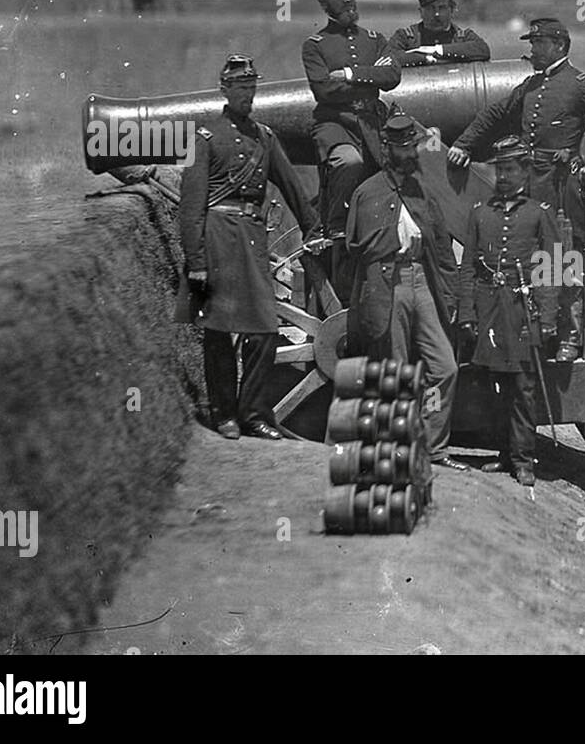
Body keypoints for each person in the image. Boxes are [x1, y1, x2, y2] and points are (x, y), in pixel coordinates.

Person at [448, 17, 585, 361]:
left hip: (563, 188)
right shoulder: (531, 86)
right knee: (529, 261)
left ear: (558, 46)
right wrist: (464, 144)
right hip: (531, 185)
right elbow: (495, 112)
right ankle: (535, 332)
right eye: (531, 43)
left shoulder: (580, 84)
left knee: (565, 261)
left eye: (537, 43)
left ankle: (569, 338)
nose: (531, 49)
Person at [176, 54, 326, 439]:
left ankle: (254, 414)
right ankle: (223, 414)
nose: (247, 96)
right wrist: (196, 262)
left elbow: (292, 185)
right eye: (241, 89)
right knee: (218, 331)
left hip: (251, 239)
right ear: (225, 90)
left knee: (262, 329)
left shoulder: (265, 138)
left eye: (251, 89)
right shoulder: (204, 138)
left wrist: (313, 228)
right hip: (216, 240)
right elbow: (191, 207)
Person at [344, 115, 466, 471]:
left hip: (421, 282)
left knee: (444, 367)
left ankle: (432, 447)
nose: (411, 153)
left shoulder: (423, 192)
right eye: (403, 148)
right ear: (388, 150)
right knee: (395, 370)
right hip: (387, 284)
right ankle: (398, 448)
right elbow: (357, 246)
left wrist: (453, 296)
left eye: (413, 146)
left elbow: (442, 251)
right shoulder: (368, 192)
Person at [457, 136, 561, 487]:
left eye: (511, 170)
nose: (503, 176)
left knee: (523, 387)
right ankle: (503, 454)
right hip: (489, 310)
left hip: (522, 309)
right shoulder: (480, 213)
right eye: (500, 170)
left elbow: (551, 269)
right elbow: (468, 267)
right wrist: (468, 313)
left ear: (525, 173)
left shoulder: (538, 215)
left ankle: (523, 459)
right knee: (493, 387)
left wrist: (547, 319)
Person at [302, 0, 403, 301]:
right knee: (348, 162)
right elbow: (323, 91)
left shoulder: (375, 39)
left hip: (371, 125)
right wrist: (367, 76)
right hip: (335, 125)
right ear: (324, 3)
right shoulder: (315, 45)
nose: (347, 0)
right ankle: (335, 229)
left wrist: (346, 74)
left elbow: (391, 78)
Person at [389, 0, 491, 67]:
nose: (436, 14)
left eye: (442, 8)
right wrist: (424, 58)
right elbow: (387, 58)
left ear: (451, 10)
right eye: (430, 9)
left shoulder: (463, 37)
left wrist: (438, 50)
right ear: (421, 12)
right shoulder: (406, 37)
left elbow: (482, 50)